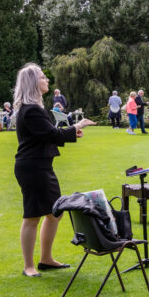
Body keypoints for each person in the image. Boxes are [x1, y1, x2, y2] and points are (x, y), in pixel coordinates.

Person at [13, 63, 95, 277]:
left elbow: (49, 134)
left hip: (41, 166)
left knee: (54, 213)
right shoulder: (31, 110)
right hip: (33, 168)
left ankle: (46, 259)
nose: (47, 80)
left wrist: (70, 133)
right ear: (33, 82)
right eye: (42, 77)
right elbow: (53, 135)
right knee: (32, 216)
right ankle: (29, 266)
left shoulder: (34, 108)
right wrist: (78, 126)